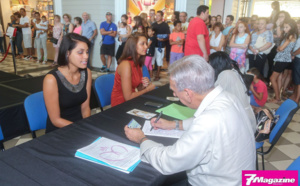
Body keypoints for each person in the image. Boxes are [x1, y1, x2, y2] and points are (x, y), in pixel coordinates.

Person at [124, 55, 255, 186]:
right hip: (241, 177)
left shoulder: (207, 123)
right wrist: (173, 124)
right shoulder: (228, 97)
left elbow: (168, 162)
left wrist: (141, 139)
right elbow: (202, 121)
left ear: (187, 93)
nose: (174, 95)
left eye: (175, 91)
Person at [43, 33, 92, 133]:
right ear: (67, 53)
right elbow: (56, 120)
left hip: (80, 127)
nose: (86, 56)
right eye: (80, 52)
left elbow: (85, 108)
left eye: (87, 52)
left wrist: (87, 126)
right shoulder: (51, 79)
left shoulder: (87, 72)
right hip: (59, 132)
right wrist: (81, 129)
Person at [209, 52, 256, 132]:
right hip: (243, 119)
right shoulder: (232, 72)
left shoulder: (226, 74)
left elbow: (211, 96)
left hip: (241, 124)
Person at [111, 34, 155, 107]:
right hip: (120, 105)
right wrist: (147, 90)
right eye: (142, 44)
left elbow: (138, 88)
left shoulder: (138, 63)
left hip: (132, 102)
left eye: (146, 44)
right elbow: (128, 97)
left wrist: (144, 85)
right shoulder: (126, 65)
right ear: (133, 46)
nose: (146, 47)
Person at [269, 19, 297, 104]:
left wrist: (279, 49)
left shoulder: (291, 36)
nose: (284, 29)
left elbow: (281, 48)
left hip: (283, 59)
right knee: (276, 78)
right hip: (281, 58)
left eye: (286, 27)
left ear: (292, 27)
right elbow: (280, 48)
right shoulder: (288, 35)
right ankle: (277, 96)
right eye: (284, 27)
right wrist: (279, 49)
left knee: (272, 78)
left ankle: (277, 98)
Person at [267, 11, 290, 83]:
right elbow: (270, 35)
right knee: (271, 64)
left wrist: (278, 26)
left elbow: (280, 36)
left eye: (282, 16)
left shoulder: (287, 26)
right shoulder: (275, 25)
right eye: (279, 16)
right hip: (273, 47)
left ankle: (276, 82)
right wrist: (274, 35)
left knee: (279, 68)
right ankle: (269, 81)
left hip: (282, 48)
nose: (280, 18)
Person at [151, 10, 170, 81]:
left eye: (159, 15)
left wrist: (163, 40)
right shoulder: (153, 25)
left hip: (160, 46)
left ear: (162, 16)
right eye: (156, 15)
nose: (157, 17)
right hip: (153, 45)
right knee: (152, 59)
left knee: (159, 60)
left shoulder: (165, 25)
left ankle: (158, 75)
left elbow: (168, 35)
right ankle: (151, 73)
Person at [290, 20, 300, 103]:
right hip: (297, 58)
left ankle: (297, 98)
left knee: (298, 80)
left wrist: (293, 53)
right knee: (296, 79)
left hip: (298, 58)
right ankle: (296, 95)